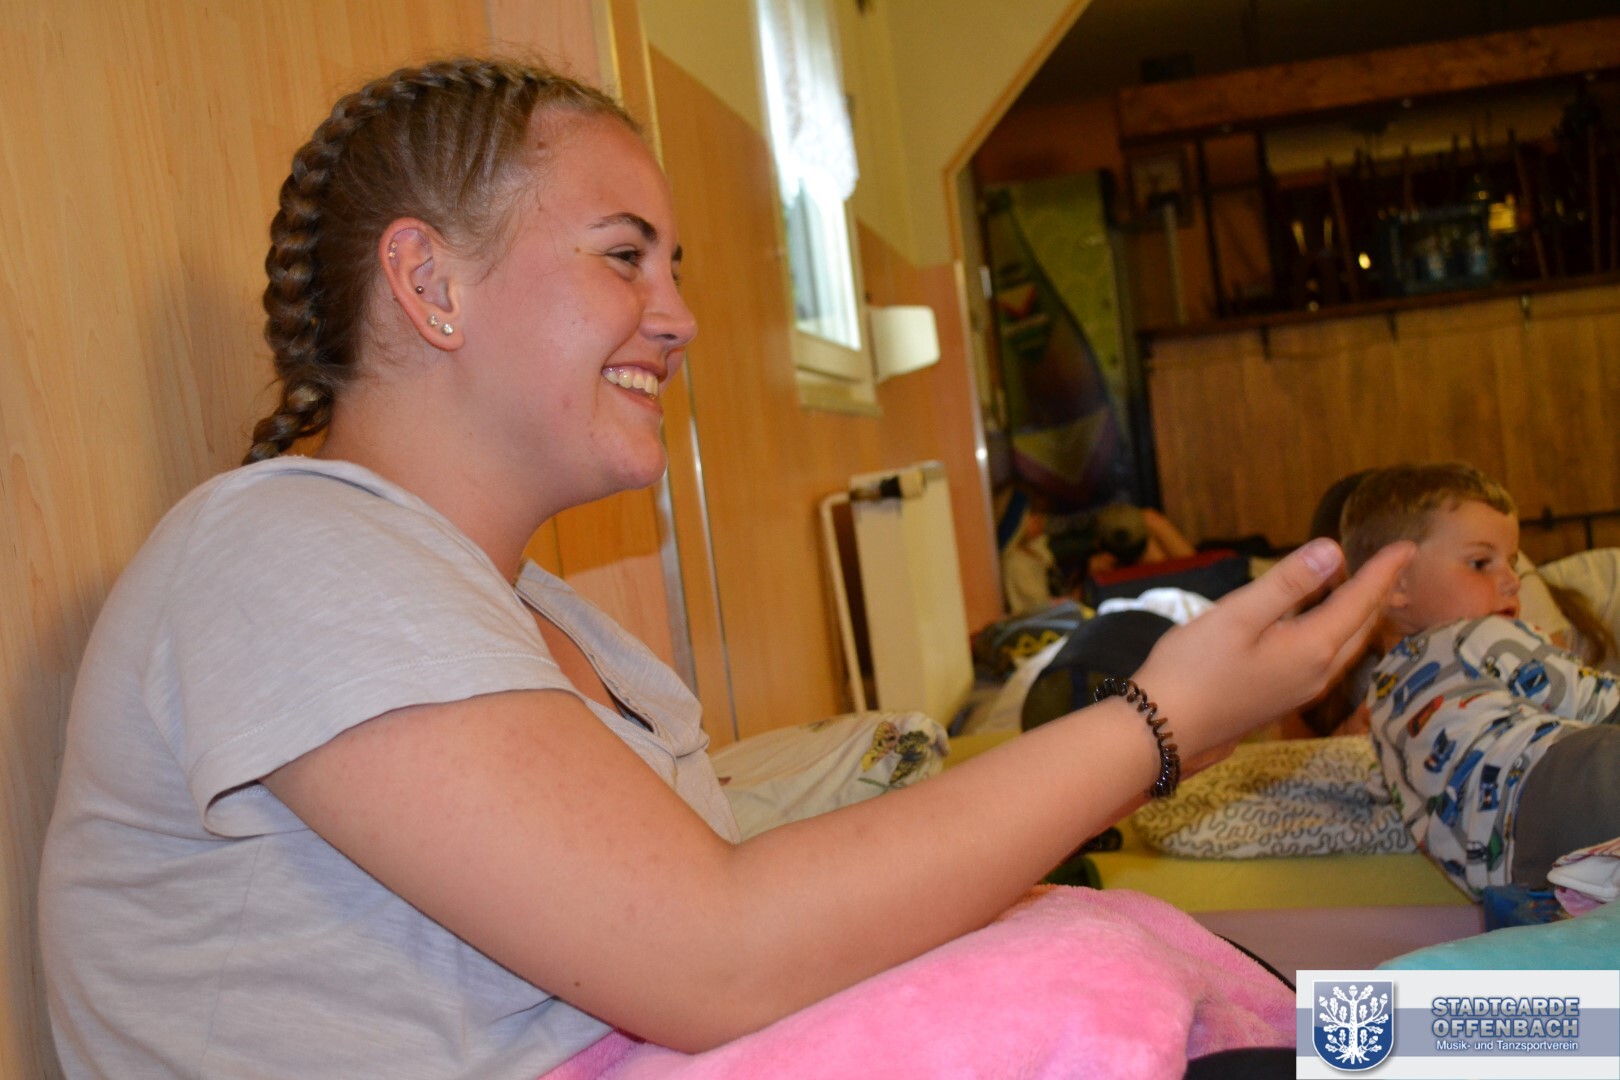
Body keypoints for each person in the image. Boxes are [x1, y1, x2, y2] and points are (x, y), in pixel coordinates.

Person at [37, 57, 1412, 1078]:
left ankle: (1504, 1023)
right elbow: (714, 953)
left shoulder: (545, 620)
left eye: (676, 267)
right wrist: (1156, 722)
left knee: (1326, 1009)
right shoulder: (280, 553)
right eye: (623, 258)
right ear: (431, 284)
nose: (681, 318)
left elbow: (736, 928)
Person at [1340, 462, 1620, 899]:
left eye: (1512, 563)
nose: (1512, 582)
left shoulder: (1381, 701)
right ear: (1395, 584)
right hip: (1572, 778)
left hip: (1516, 870)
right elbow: (1595, 699)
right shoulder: (1477, 635)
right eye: (1481, 563)